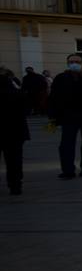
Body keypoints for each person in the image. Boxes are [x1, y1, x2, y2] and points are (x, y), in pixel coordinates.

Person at [1, 67, 28, 195]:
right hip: (15, 131)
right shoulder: (17, 93)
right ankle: (15, 185)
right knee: (14, 160)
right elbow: (26, 109)